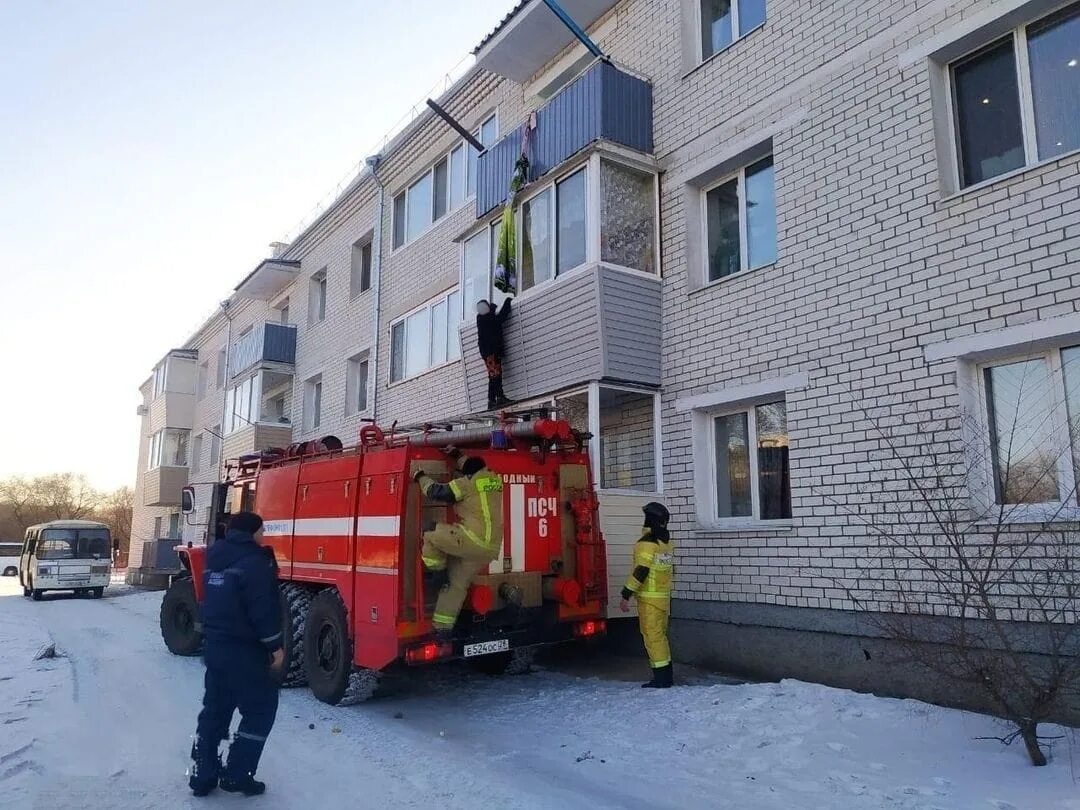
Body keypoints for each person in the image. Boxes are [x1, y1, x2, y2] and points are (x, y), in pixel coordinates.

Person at [188, 511, 284, 797]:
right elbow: (262, 609)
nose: (263, 536)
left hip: (216, 648)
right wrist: (274, 646)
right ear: (252, 532)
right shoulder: (255, 562)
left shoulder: (215, 557)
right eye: (262, 531)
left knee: (214, 710)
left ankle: (202, 776)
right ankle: (238, 775)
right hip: (245, 651)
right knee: (261, 710)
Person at [414, 456, 504, 638]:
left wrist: (420, 476)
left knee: (429, 531)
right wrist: (456, 453)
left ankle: (436, 572)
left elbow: (436, 492)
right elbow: (472, 465)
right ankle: (443, 628)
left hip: (471, 539)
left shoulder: (467, 483)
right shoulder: (494, 479)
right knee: (456, 584)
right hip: (490, 548)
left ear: (468, 473)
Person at [620, 502, 675, 688]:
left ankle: (661, 679)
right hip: (663, 599)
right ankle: (667, 676)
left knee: (652, 638)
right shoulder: (666, 544)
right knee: (661, 638)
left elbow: (640, 572)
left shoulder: (646, 544)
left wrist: (626, 594)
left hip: (649, 600)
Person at [476, 297, 512, 410]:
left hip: (488, 352)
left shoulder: (483, 319)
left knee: (493, 376)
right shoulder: (486, 319)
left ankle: (492, 400)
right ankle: (499, 397)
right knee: (496, 375)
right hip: (491, 352)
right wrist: (507, 303)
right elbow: (500, 319)